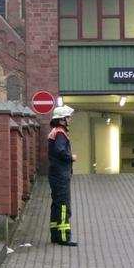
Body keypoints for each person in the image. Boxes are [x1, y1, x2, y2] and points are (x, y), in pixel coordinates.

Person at [47, 104, 77, 246]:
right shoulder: (60, 132)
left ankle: (55, 235)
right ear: (62, 119)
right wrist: (71, 157)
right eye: (68, 117)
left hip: (55, 173)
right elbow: (60, 151)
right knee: (64, 205)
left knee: (57, 205)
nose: (70, 119)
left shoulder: (55, 131)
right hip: (60, 173)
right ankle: (64, 237)